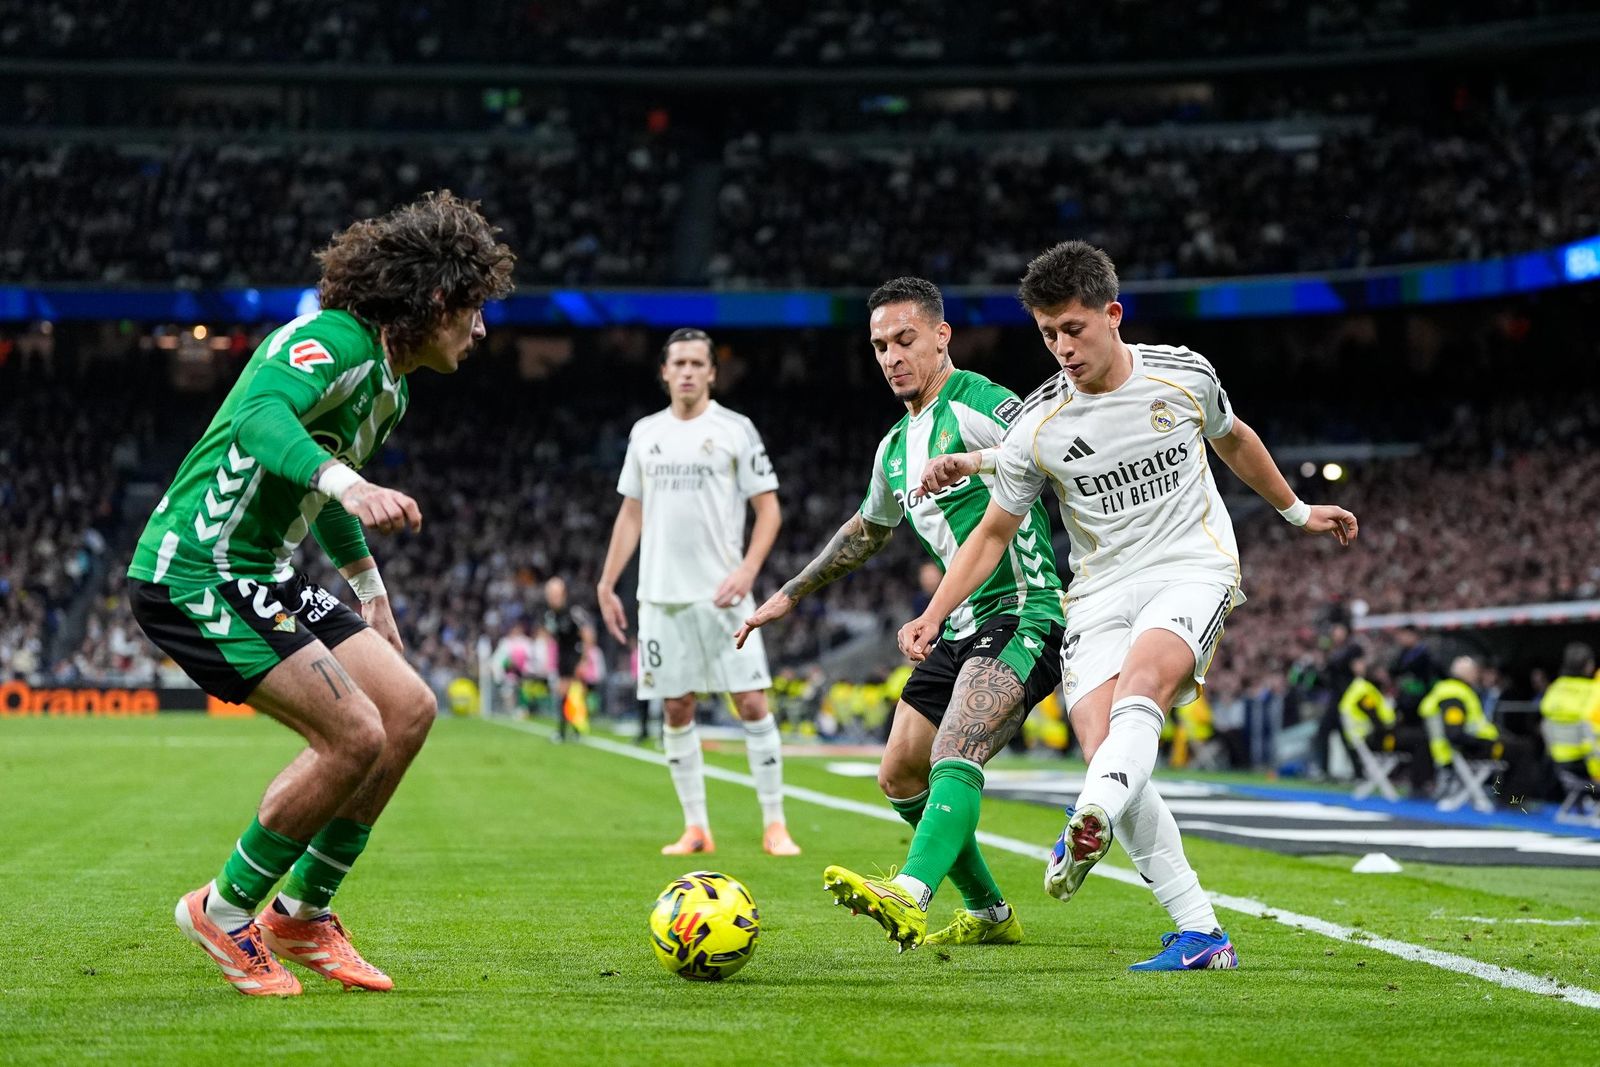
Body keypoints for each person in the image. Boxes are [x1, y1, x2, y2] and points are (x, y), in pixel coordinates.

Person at [900, 241, 1358, 970]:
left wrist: (1297, 511)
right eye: (1048, 334)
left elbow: (1233, 439)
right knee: (1106, 748)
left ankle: (1092, 817)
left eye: (1074, 328)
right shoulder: (1040, 422)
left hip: (1191, 566)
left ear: (1114, 314)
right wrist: (933, 611)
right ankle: (1201, 932)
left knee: (1139, 693)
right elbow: (993, 532)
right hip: (1099, 589)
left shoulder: (1182, 375)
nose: (1061, 347)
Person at [124, 191, 515, 996]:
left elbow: (323, 494)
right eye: (475, 310)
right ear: (437, 299)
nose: (482, 331)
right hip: (196, 567)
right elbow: (261, 420)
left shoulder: (392, 386)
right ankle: (223, 909)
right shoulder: (328, 339)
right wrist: (347, 481)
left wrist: (370, 589)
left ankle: (301, 915)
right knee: (353, 733)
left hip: (264, 569)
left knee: (408, 710)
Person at [736, 277, 1065, 949]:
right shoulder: (894, 448)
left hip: (1024, 607)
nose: (891, 356)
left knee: (956, 745)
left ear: (942, 336)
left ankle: (910, 892)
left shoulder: (982, 403)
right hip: (962, 621)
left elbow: (1051, 451)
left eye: (905, 339)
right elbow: (865, 529)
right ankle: (990, 912)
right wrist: (790, 593)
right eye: (880, 345)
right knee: (899, 772)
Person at [596, 328, 799, 856]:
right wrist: (607, 580)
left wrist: (749, 571)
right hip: (661, 596)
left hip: (725, 597)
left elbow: (769, 510)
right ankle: (696, 828)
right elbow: (632, 512)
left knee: (752, 702)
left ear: (712, 372)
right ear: (664, 372)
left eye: (696, 364)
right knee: (676, 707)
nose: (687, 371)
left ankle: (775, 825)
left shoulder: (735, 429)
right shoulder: (645, 433)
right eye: (678, 363)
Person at [1421, 655, 1539, 801]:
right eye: (1475, 671)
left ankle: (1507, 797)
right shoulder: (1454, 695)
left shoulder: (1445, 689)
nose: (1477, 675)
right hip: (1466, 750)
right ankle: (1514, 800)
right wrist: (1484, 741)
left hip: (1462, 749)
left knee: (1516, 745)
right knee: (1523, 748)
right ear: (1467, 673)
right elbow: (1454, 733)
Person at [1337, 653, 1432, 794]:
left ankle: (1415, 780)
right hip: (1373, 739)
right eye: (1381, 672)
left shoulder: (1362, 688)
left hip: (1369, 737)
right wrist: (1397, 726)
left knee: (1416, 737)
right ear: (1373, 673)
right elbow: (1378, 724)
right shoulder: (1365, 692)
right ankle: (1419, 785)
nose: (1385, 676)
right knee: (1421, 739)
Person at [541, 576, 596, 742]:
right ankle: (570, 730)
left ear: (563, 594)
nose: (551, 597)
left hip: (575, 653)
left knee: (572, 693)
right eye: (549, 594)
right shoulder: (551, 614)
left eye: (554, 594)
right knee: (565, 693)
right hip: (562, 655)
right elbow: (550, 636)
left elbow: (588, 633)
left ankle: (570, 730)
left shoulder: (573, 611)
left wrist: (584, 660)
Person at [1539, 643, 1598, 787]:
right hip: (1589, 766)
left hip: (1558, 763)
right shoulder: (1594, 691)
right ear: (1588, 665)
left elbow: (1544, 723)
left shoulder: (1554, 689)